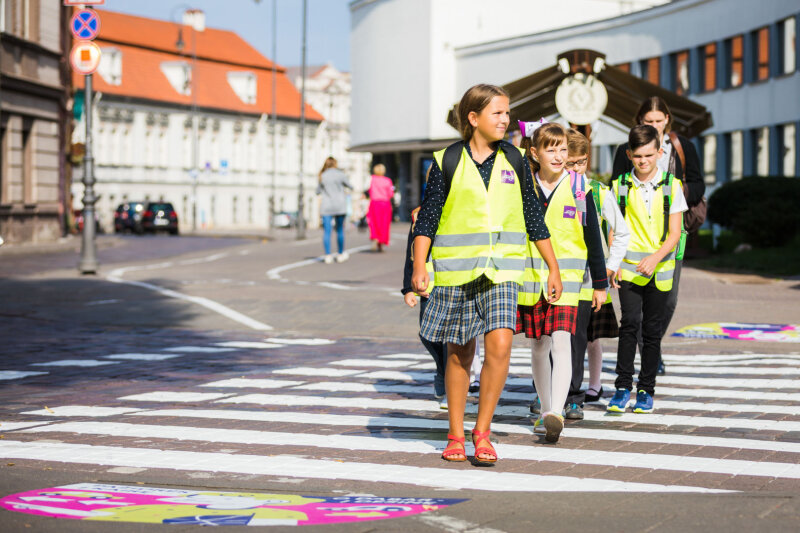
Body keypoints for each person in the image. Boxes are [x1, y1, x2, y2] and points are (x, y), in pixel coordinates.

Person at [411, 84, 562, 464]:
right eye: (497, 113)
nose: (505, 119)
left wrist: (552, 267)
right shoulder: (445, 160)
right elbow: (427, 219)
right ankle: (456, 434)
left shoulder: (513, 159)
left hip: (503, 271)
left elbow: (532, 216)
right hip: (457, 271)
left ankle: (483, 433)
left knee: (500, 347)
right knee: (461, 353)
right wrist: (418, 265)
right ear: (473, 118)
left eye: (507, 112)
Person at [516, 121, 607, 443]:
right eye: (550, 149)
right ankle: (545, 407)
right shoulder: (522, 186)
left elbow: (593, 237)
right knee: (539, 345)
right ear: (535, 153)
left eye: (563, 150)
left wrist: (599, 283)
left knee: (561, 339)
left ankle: (555, 409)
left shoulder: (580, 188)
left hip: (569, 281)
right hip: (530, 280)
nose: (558, 156)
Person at [612, 97, 705, 374]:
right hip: (635, 240)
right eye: (648, 121)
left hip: (672, 233)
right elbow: (616, 192)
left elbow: (698, 184)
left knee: (668, 300)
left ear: (667, 119)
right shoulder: (625, 149)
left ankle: (652, 345)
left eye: (658, 120)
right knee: (633, 313)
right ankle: (650, 352)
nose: (654, 125)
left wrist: (671, 194)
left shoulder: (681, 147)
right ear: (639, 122)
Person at [608, 124, 687, 414]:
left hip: (660, 270)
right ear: (629, 154)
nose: (643, 161)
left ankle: (646, 390)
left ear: (659, 153)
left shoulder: (672, 186)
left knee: (652, 332)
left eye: (648, 155)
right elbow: (613, 230)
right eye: (637, 156)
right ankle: (621, 388)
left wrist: (655, 258)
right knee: (629, 325)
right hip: (629, 270)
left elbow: (675, 233)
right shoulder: (618, 187)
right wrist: (612, 264)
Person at [565, 129, 629, 417]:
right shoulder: (545, 188)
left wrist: (609, 268)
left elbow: (622, 231)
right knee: (548, 339)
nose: (574, 169)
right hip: (550, 278)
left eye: (579, 163)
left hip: (585, 281)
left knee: (579, 338)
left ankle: (574, 395)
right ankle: (546, 393)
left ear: (587, 161)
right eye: (568, 163)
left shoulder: (597, 191)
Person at [316, 157, 352, 264]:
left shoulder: (322, 175)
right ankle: (340, 254)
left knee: (327, 232)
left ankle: (328, 255)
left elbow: (317, 191)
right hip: (339, 205)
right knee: (340, 230)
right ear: (335, 164)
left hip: (326, 206)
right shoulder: (340, 174)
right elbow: (350, 186)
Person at [367, 164, 394, 251]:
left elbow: (369, 190)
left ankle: (375, 237)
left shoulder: (372, 179)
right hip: (385, 204)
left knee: (374, 222)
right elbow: (391, 194)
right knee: (384, 224)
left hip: (374, 203)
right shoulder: (387, 181)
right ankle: (381, 243)